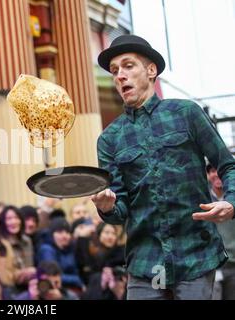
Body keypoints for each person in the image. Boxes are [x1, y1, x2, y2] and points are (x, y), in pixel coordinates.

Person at [91, 34, 235, 300]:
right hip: (145, 265)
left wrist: (231, 201)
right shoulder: (109, 139)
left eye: (128, 65)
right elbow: (119, 208)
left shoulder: (186, 113)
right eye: (114, 71)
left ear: (151, 70)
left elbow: (228, 165)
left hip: (195, 256)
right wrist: (107, 207)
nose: (120, 75)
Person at [207, 162, 235, 300]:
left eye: (220, 171)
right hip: (213, 265)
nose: (216, 174)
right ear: (207, 175)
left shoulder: (232, 199)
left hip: (233, 263)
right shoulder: (203, 199)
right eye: (212, 171)